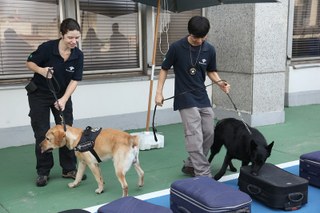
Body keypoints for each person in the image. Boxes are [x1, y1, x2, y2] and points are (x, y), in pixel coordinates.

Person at [155, 16, 230, 178]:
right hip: (185, 98)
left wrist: (220, 82)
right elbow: (164, 69)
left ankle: (191, 164)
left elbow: (211, 71)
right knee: (194, 134)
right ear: (190, 33)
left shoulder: (209, 49)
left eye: (203, 37)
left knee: (209, 132)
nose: (199, 40)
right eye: (196, 37)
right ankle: (203, 174)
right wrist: (159, 93)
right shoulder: (176, 47)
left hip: (202, 96)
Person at [26, 18, 86, 187]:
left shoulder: (78, 55)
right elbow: (29, 62)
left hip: (62, 96)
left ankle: (68, 169)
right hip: (39, 95)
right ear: (62, 35)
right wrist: (41, 70)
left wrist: (64, 99)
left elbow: (75, 80)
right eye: (70, 38)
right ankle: (43, 171)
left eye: (77, 38)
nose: (74, 41)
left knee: (66, 131)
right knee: (42, 132)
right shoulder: (47, 48)